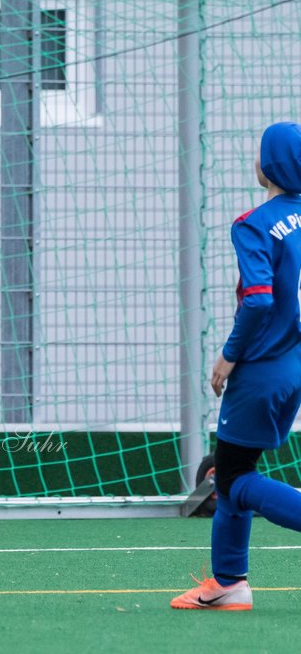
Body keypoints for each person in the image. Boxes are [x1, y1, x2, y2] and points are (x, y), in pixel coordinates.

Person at [172, 122, 301, 611]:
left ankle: (229, 581)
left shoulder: (254, 223)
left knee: (232, 480)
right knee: (233, 471)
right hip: (293, 366)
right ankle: (229, 582)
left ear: (267, 165)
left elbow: (259, 300)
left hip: (261, 366)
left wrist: (229, 355)